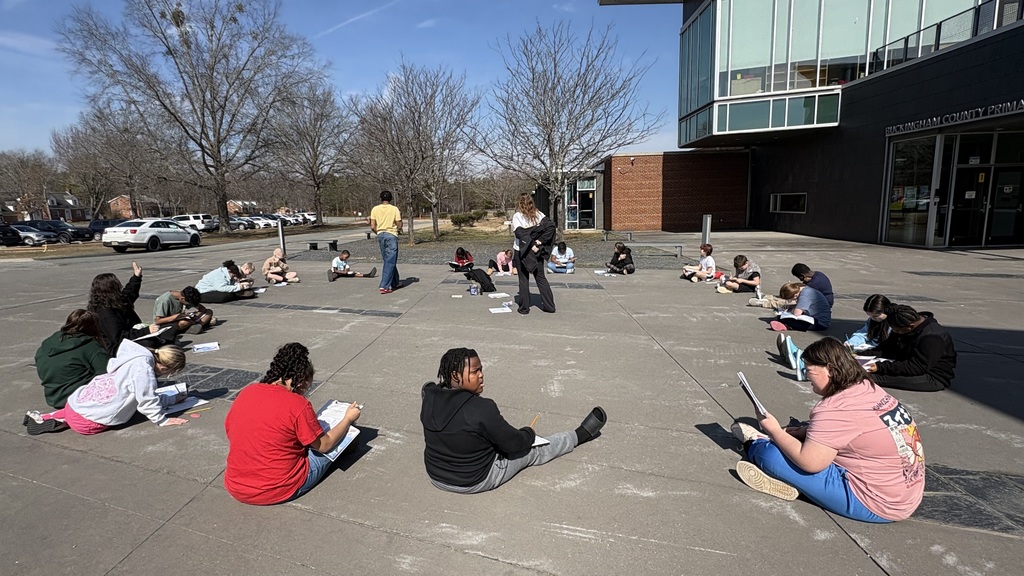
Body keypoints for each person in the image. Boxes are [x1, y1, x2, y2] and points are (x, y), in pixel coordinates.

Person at [731, 337, 925, 523]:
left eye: (809, 369)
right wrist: (806, 431)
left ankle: (756, 442)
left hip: (876, 503)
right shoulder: (867, 387)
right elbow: (856, 429)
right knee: (801, 442)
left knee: (769, 455)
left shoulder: (834, 409)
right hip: (906, 494)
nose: (806, 375)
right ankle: (797, 482)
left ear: (830, 370)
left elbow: (810, 463)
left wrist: (773, 431)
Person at [420, 347, 606, 494]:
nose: (481, 375)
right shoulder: (482, 408)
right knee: (533, 451)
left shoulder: (429, 395)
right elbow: (514, 444)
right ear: (455, 376)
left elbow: (430, 388)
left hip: (436, 475)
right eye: (475, 371)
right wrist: (528, 433)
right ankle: (579, 435)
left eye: (481, 370)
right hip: (474, 480)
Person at [224, 343, 362, 505]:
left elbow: (231, 431)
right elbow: (324, 445)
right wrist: (348, 419)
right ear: (302, 382)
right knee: (345, 437)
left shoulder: (247, 392)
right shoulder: (298, 404)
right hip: (278, 488)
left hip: (236, 485)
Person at [24, 342, 189, 435]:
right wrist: (162, 420)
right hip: (88, 422)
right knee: (94, 416)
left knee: (76, 411)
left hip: (74, 404)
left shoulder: (135, 358)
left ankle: (46, 417)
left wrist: (172, 398)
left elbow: (144, 394)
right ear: (167, 368)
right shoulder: (144, 371)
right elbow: (147, 399)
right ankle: (60, 423)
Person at [864, 304, 956, 392]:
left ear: (910, 327)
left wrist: (879, 367)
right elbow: (887, 349)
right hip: (910, 365)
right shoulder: (903, 323)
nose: (896, 332)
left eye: (897, 330)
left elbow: (916, 367)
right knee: (862, 372)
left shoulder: (931, 337)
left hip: (931, 376)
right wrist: (859, 355)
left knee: (870, 377)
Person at [34, 309, 110, 409]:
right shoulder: (91, 347)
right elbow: (106, 373)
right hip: (78, 398)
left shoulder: (48, 343)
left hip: (54, 398)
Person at [88, 261, 161, 355]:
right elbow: (118, 337)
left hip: (128, 338)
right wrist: (146, 331)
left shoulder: (114, 301)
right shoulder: (105, 312)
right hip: (116, 348)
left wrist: (136, 277)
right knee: (148, 344)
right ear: (111, 289)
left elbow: (129, 293)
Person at [511, 193, 556, 314]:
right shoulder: (539, 215)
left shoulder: (517, 216)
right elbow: (551, 227)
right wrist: (538, 242)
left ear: (519, 204)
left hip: (521, 252)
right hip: (536, 253)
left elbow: (520, 234)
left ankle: (524, 308)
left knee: (523, 279)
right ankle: (549, 306)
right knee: (540, 278)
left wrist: (535, 243)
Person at [370, 190, 402, 294]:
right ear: (390, 198)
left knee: (388, 260)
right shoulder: (394, 209)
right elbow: (398, 223)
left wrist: (378, 232)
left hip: (380, 235)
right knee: (390, 260)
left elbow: (372, 226)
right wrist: (399, 228)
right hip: (391, 234)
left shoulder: (375, 209)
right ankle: (384, 286)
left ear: (381, 198)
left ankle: (395, 282)